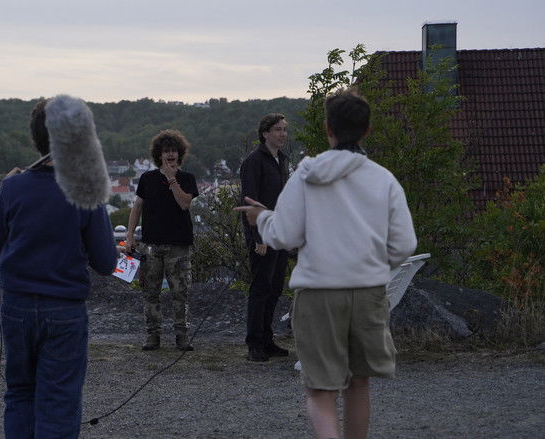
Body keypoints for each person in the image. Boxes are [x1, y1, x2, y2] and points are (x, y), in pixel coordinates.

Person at [235, 88, 417, 439]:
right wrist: (371, 265)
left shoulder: (306, 175)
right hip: (367, 291)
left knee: (321, 390)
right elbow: (405, 245)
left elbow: (284, 235)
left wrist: (262, 218)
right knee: (359, 383)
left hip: (318, 293)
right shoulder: (384, 179)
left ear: (328, 128)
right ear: (367, 130)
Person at [0, 98, 117, 438]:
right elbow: (106, 262)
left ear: (36, 139)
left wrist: (4, 193)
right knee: (58, 400)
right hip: (64, 310)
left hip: (16, 307)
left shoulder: (12, 187)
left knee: (20, 393)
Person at [126, 129, 199, 352]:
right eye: (166, 151)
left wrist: (171, 180)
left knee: (180, 293)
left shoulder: (187, 178)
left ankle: (181, 336)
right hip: (151, 245)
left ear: (180, 153)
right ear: (159, 154)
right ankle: (153, 336)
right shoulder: (147, 178)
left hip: (179, 245)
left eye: (174, 151)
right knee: (150, 292)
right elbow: (137, 206)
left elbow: (184, 203)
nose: (170, 155)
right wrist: (129, 236)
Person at [239, 113, 292, 362]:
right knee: (260, 288)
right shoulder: (253, 162)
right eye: (277, 129)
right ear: (265, 133)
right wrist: (258, 238)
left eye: (284, 129)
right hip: (262, 234)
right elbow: (250, 202)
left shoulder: (282, 160)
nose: (282, 134)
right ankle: (255, 344)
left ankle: (268, 340)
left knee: (275, 288)